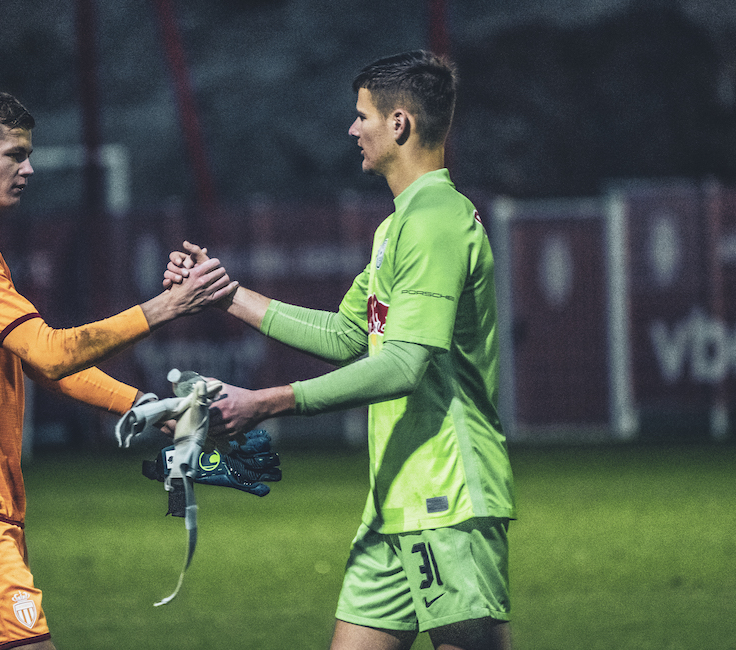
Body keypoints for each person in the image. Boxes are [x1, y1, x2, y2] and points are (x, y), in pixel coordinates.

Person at [165, 51, 516, 650]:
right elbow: (345, 335)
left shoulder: (436, 221)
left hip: (448, 496)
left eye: (362, 116)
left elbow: (404, 365)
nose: (353, 129)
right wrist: (224, 294)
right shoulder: (397, 226)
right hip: (394, 501)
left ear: (399, 124)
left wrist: (267, 402)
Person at [0, 85, 236, 650]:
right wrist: (165, 307)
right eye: (14, 155)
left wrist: (143, 406)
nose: (29, 169)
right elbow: (51, 351)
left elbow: (39, 363)